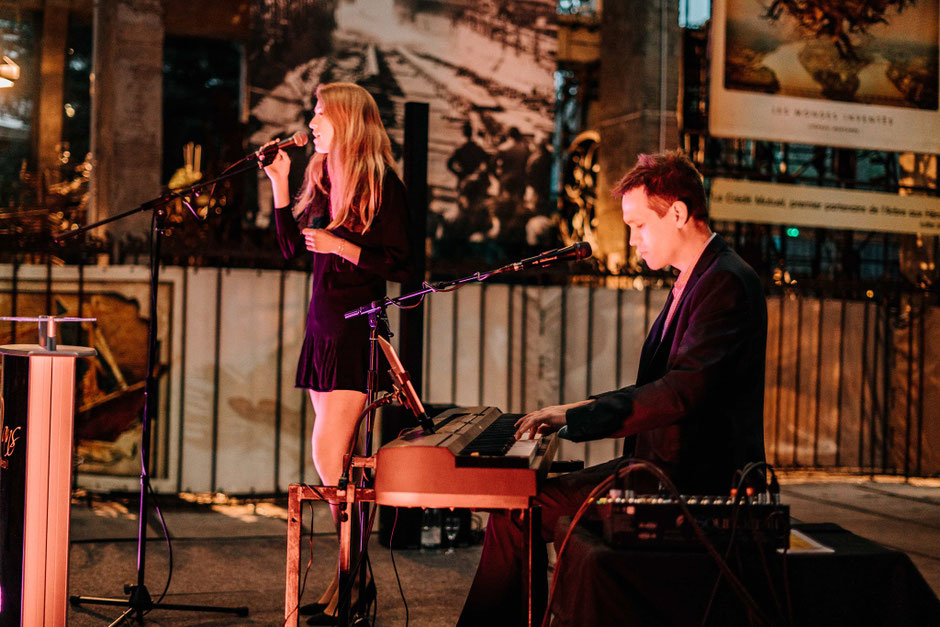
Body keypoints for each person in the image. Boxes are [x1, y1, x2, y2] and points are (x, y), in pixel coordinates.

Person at [457, 150, 768, 626]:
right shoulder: (697, 280)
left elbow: (681, 392)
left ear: (679, 213)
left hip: (689, 483)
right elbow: (664, 383)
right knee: (518, 507)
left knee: (520, 511)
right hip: (657, 469)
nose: (631, 239)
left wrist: (579, 419)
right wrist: (572, 409)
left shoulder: (725, 283)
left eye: (639, 225)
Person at [262, 82, 413, 624]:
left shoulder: (380, 186)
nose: (313, 120)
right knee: (336, 466)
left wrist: (342, 244)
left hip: (354, 331)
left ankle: (354, 580)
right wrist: (280, 185)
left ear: (348, 121)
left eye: (322, 113)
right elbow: (289, 247)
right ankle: (351, 582)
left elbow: (402, 266)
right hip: (321, 328)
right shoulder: (322, 177)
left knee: (330, 458)